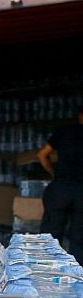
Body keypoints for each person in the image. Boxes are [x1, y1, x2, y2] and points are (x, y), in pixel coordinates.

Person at [37, 105, 83, 262]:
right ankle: (77, 278)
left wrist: (53, 172)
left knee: (50, 237)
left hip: (61, 187)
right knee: (79, 240)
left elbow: (42, 155)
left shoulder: (64, 132)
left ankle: (46, 271)